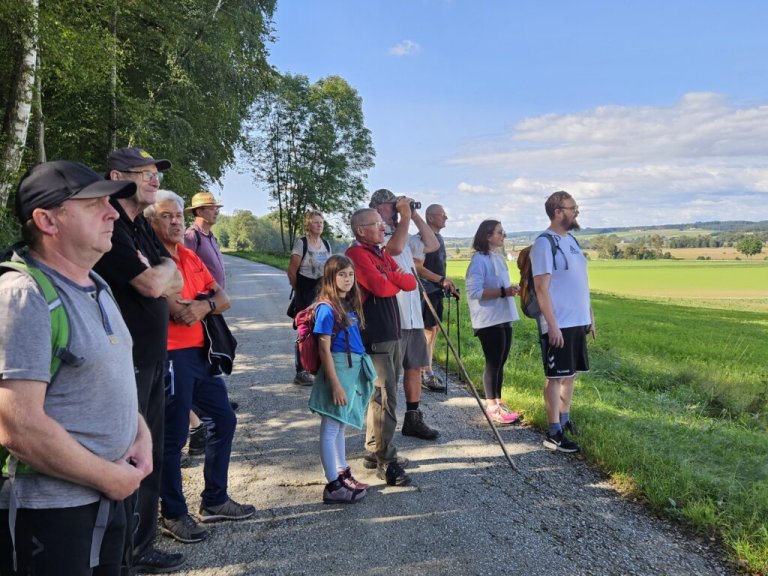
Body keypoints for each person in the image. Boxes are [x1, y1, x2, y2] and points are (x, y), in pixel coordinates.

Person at [0, 161, 152, 575]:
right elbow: (19, 428)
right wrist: (107, 477)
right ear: (47, 221)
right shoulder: (23, 296)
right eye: (93, 204)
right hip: (52, 514)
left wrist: (139, 433)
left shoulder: (97, 286)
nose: (113, 213)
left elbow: (106, 378)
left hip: (110, 495)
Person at [93, 147, 184, 574]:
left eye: (155, 173)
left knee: (153, 453)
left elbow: (173, 274)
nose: (154, 180)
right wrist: (160, 272)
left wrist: (161, 270)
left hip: (152, 357)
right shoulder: (109, 223)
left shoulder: (140, 225)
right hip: (123, 362)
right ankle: (119, 554)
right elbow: (151, 285)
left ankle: (141, 545)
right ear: (117, 177)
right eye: (144, 173)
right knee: (128, 456)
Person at [145, 190, 255, 544]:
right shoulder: (150, 259)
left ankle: (214, 500)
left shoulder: (190, 256)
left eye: (178, 215)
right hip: (170, 355)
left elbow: (223, 299)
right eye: (166, 216)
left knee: (223, 419)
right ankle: (173, 514)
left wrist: (204, 306)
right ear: (151, 222)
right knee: (174, 437)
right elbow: (178, 310)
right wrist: (202, 303)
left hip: (200, 354)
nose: (175, 221)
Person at [346, 208, 416, 487]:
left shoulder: (379, 253)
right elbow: (381, 287)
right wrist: (391, 278)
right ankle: (386, 461)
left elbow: (409, 281)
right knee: (385, 397)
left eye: (381, 223)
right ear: (361, 230)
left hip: (391, 332)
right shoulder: (356, 254)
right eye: (376, 224)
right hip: (376, 334)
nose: (383, 227)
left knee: (381, 395)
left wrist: (390, 278)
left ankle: (374, 450)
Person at [368, 189, 440, 441]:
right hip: (391, 314)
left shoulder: (404, 231)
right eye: (392, 205)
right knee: (388, 375)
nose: (397, 209)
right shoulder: (374, 234)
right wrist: (406, 218)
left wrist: (415, 215)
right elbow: (395, 249)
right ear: (378, 208)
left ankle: (413, 418)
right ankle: (380, 430)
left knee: (415, 366)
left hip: (413, 314)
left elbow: (432, 244)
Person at [307, 255, 376, 503]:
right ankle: (333, 485)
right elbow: (324, 349)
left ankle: (342, 472)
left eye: (350, 275)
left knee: (340, 424)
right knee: (331, 427)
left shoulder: (345, 304)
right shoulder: (327, 309)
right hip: (337, 370)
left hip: (348, 369)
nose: (347, 279)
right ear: (330, 277)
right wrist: (335, 385)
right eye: (341, 275)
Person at [531, 191, 595, 453]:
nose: (576, 212)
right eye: (572, 208)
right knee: (555, 376)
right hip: (559, 322)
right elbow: (541, 288)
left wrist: (590, 315)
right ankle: (553, 431)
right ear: (558, 212)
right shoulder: (544, 243)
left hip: (578, 320)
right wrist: (552, 325)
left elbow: (580, 283)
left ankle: (565, 419)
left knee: (570, 375)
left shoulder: (572, 241)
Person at [183, 191, 235, 457]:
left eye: (216, 207)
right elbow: (184, 267)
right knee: (203, 354)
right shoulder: (191, 237)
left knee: (214, 351)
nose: (216, 211)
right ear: (198, 212)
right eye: (211, 207)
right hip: (200, 304)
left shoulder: (210, 237)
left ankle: (212, 401)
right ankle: (201, 411)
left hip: (213, 303)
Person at [465, 220, 523, 425]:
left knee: (501, 362)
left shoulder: (498, 257)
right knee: (493, 362)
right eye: (500, 232)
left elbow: (500, 286)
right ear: (487, 236)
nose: (503, 235)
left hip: (504, 316)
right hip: (488, 319)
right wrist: (503, 292)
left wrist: (510, 290)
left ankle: (498, 402)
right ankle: (491, 407)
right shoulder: (478, 261)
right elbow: (474, 292)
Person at [412, 204, 459, 391]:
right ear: (430, 218)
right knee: (428, 332)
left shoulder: (437, 238)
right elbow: (418, 267)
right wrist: (441, 280)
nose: (446, 217)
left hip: (436, 290)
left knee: (434, 331)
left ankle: (427, 369)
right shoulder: (422, 239)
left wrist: (446, 284)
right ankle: (425, 373)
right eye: (442, 215)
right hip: (425, 290)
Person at [288, 211, 332, 385]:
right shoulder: (302, 243)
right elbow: (292, 271)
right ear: (308, 225)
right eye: (315, 222)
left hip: (322, 291)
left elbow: (330, 269)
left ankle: (319, 368)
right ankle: (301, 371)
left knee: (322, 329)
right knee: (304, 331)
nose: (319, 225)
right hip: (305, 290)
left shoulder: (326, 244)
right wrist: (298, 290)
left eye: (321, 222)